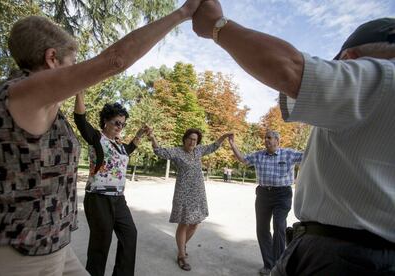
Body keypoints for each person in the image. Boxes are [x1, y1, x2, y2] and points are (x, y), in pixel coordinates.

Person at [0, 1, 206, 275]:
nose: (76, 71)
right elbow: (115, 61)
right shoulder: (20, 95)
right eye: (72, 63)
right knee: (100, 249)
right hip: (23, 248)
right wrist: (184, 12)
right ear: (52, 59)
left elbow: (126, 148)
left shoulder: (42, 107)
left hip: (54, 243)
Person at [192, 1, 395, 274]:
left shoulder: (383, 77)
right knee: (265, 232)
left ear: (349, 59)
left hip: (342, 254)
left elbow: (290, 70)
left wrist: (218, 27)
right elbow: (245, 159)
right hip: (355, 249)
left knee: (276, 229)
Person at [74, 93, 147, 275]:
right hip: (98, 198)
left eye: (123, 124)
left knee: (130, 235)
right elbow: (80, 121)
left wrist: (138, 134)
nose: (119, 127)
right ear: (105, 120)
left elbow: (128, 151)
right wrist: (79, 92)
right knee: (100, 245)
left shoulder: (119, 144)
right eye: (116, 122)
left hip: (118, 199)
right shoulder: (97, 138)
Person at [147, 128, 231, 271]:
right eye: (190, 139)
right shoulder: (177, 152)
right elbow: (159, 151)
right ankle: (181, 255)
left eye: (195, 140)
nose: (193, 142)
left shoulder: (198, 151)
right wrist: (152, 136)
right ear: (185, 139)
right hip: (183, 193)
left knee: (195, 223)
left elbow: (214, 146)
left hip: (198, 193)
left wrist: (224, 136)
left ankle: (182, 244)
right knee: (184, 223)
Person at [228, 130, 303, 275]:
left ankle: (279, 265)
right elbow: (243, 159)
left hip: (282, 195)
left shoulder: (288, 154)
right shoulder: (258, 155)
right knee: (262, 229)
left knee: (279, 226)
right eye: (265, 138)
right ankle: (269, 265)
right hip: (263, 195)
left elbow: (308, 155)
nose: (266, 140)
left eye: (269, 138)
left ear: (277, 141)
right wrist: (232, 144)